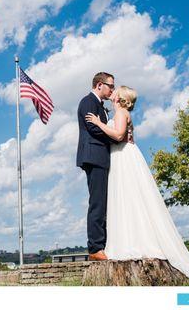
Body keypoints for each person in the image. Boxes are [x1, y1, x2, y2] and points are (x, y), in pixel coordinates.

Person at [85, 85, 189, 286]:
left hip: (123, 156)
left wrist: (99, 123)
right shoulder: (120, 112)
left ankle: (134, 241)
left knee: (128, 198)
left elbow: (117, 136)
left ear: (120, 98)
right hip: (123, 155)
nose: (113, 91)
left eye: (116, 91)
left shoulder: (120, 113)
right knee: (129, 199)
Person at [76, 72, 116, 261]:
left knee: (104, 203)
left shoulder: (101, 106)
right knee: (97, 203)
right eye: (111, 86)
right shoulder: (88, 102)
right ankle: (95, 248)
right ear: (100, 85)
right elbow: (92, 128)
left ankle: (104, 244)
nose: (112, 90)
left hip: (101, 157)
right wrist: (116, 137)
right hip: (94, 156)